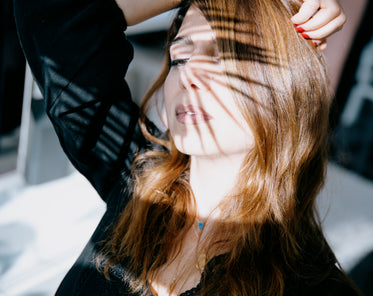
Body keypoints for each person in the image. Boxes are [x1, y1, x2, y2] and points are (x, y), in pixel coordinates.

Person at [14, 0, 359, 295]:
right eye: (179, 58)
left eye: (223, 57)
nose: (188, 74)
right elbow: (53, 15)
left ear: (287, 85)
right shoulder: (139, 179)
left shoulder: (314, 286)